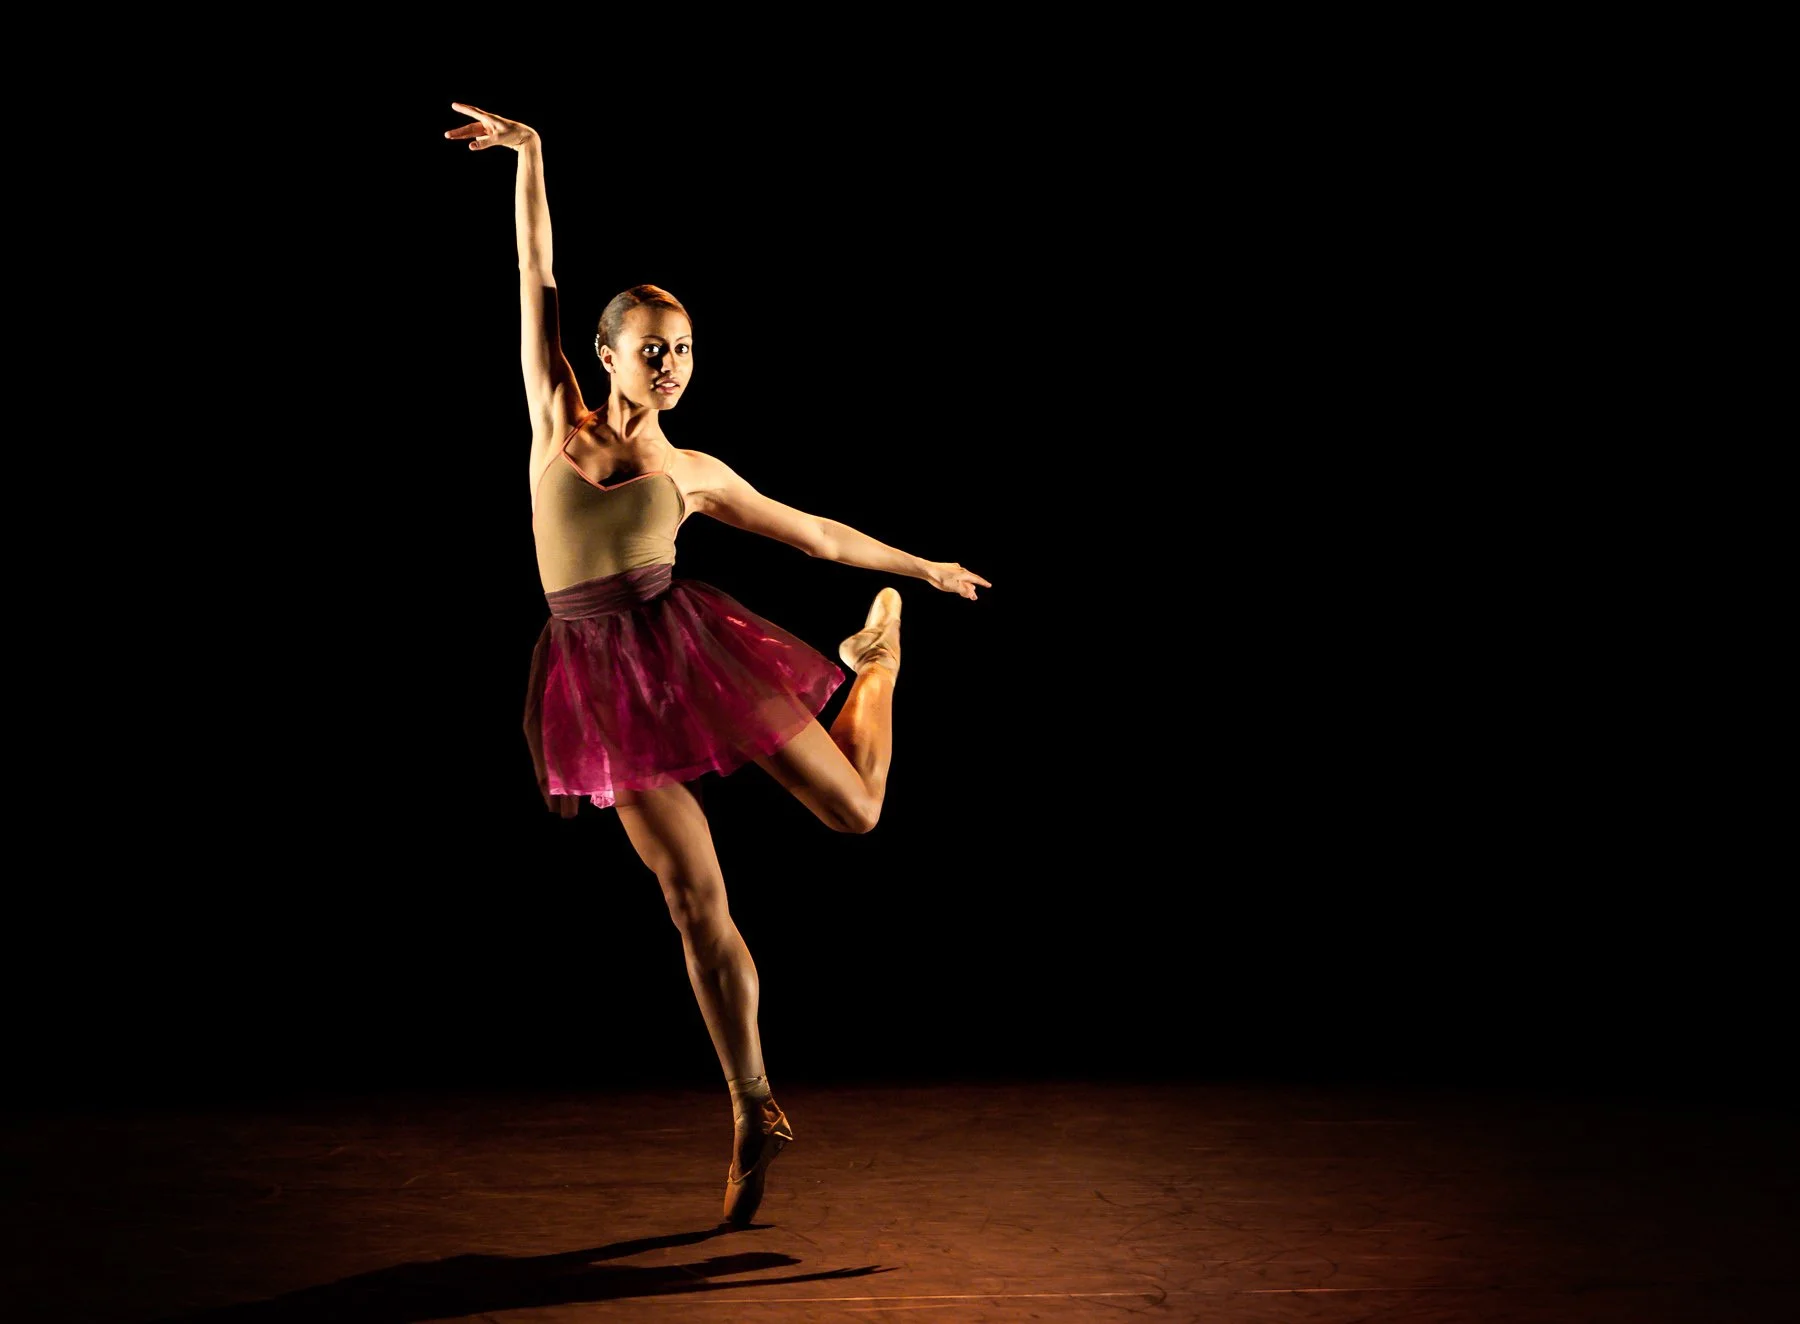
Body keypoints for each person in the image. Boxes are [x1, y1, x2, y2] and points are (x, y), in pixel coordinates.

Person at [446, 103, 990, 1228]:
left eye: (685, 348)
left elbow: (817, 535)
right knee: (694, 901)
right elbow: (535, 272)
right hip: (597, 683)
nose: (673, 363)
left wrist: (920, 564)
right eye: (651, 348)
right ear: (604, 355)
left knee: (856, 815)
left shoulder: (696, 472)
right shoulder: (555, 416)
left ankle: (869, 661)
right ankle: (753, 1105)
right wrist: (534, 156)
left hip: (686, 648)